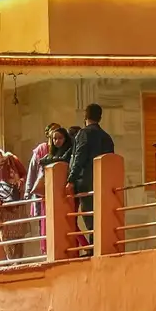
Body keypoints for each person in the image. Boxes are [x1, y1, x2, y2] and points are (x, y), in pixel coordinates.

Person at [65, 100, 116, 246]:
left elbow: (79, 158)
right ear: (100, 117)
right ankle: (101, 247)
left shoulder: (83, 134)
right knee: (102, 217)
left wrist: (71, 180)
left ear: (85, 116)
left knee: (90, 218)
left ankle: (94, 248)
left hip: (86, 182)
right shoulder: (106, 137)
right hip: (104, 183)